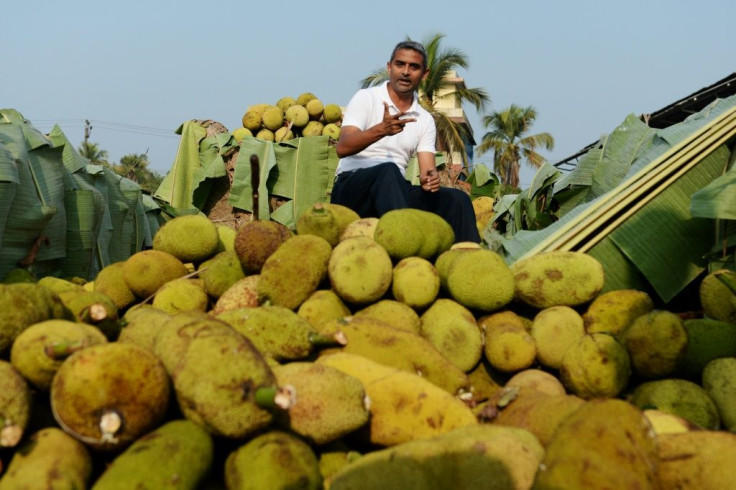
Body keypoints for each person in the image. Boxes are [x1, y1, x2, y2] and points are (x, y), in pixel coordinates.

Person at [330, 40, 481, 243]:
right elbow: (342, 148)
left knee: (457, 199)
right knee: (388, 170)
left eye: (414, 67)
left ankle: (467, 260)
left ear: (424, 74)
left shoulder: (425, 119)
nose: (406, 72)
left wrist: (431, 179)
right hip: (352, 188)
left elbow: (427, 172)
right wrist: (380, 130)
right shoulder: (367, 98)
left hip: (394, 192)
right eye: (400, 64)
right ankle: (405, 247)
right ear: (389, 67)